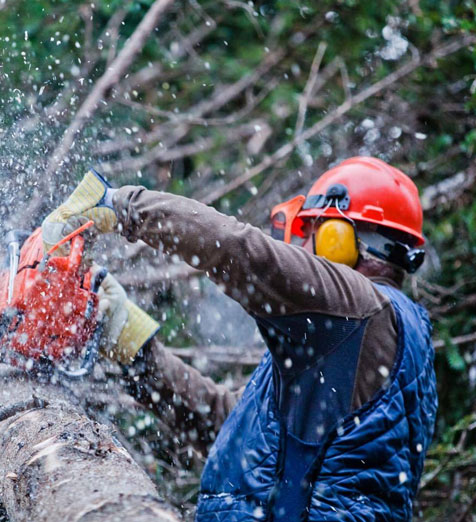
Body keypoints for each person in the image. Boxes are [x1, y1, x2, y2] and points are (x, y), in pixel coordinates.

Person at [41, 156, 438, 521]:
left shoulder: (357, 308)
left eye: (311, 232)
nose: (302, 247)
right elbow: (238, 433)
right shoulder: (360, 334)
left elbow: (242, 251)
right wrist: (136, 348)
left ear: (340, 237)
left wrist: (121, 205)